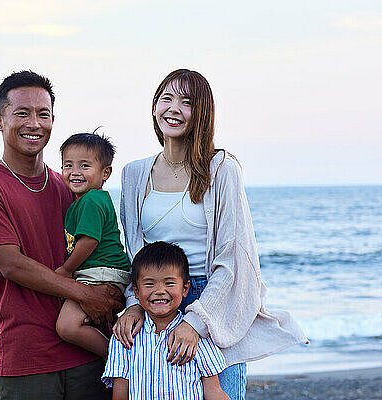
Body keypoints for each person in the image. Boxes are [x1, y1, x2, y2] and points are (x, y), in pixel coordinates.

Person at [112, 69, 308, 400]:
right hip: (157, 301)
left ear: (201, 113)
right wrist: (133, 302)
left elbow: (235, 257)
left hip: (214, 302)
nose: (173, 109)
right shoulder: (134, 173)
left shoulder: (221, 169)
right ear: (154, 106)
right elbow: (134, 254)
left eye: (186, 102)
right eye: (167, 98)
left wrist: (197, 322)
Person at [0, 70, 122, 400]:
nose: (34, 123)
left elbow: (105, 248)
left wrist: (119, 294)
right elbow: (12, 266)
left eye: (43, 114)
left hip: (90, 352)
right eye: (22, 113)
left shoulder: (73, 189)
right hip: (28, 360)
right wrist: (84, 294)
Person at [102, 241, 230, 400]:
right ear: (135, 290)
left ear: (185, 288)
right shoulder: (125, 337)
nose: (159, 291)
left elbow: (214, 391)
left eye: (169, 283)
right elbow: (120, 394)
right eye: (149, 284)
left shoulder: (197, 337)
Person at [54, 132, 131, 359]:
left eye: (85, 166)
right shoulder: (85, 201)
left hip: (102, 272)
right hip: (103, 271)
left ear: (105, 172)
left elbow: (89, 241)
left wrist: (66, 270)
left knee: (67, 327)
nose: (75, 172)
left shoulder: (92, 200)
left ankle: (119, 359)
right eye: (68, 165)